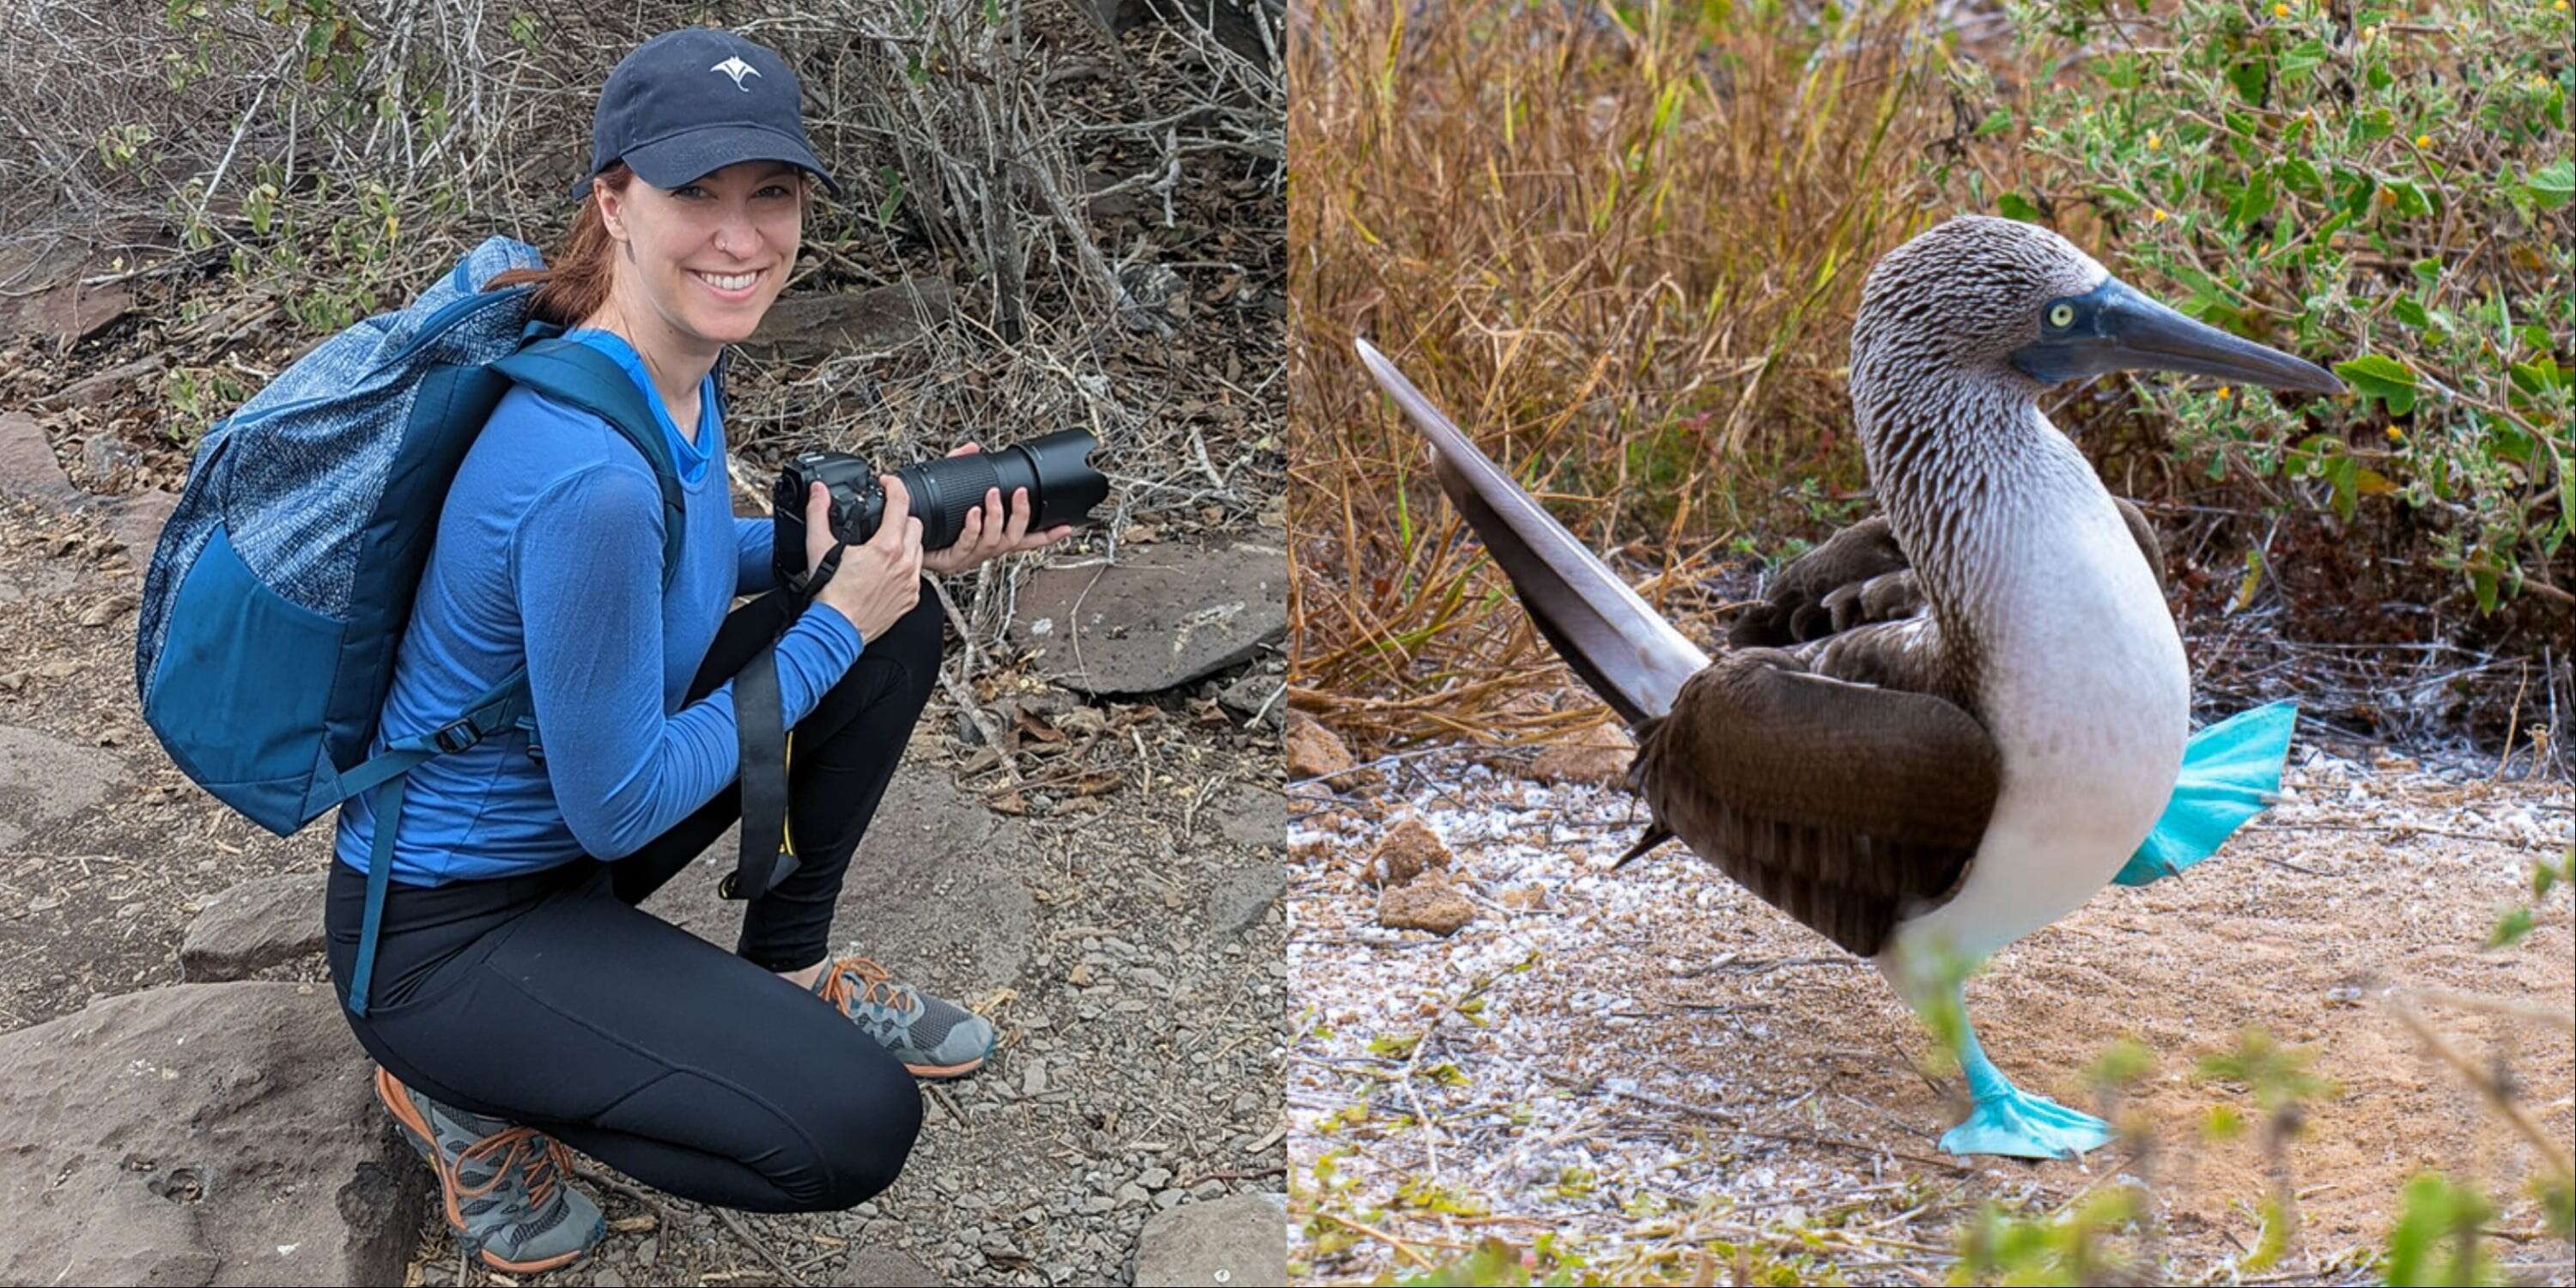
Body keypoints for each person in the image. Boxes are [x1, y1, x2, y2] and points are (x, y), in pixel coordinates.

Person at [321, 27, 1070, 1274]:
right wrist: (834, 618)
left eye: (768, 195)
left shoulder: (665, 370)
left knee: (898, 630)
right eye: (696, 197)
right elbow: (621, 808)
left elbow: (664, 566)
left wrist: (841, 551)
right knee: (852, 1130)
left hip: (556, 853)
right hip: (445, 935)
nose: (741, 237)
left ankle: (791, 968)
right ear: (613, 202)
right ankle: (455, 1092)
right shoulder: (585, 472)